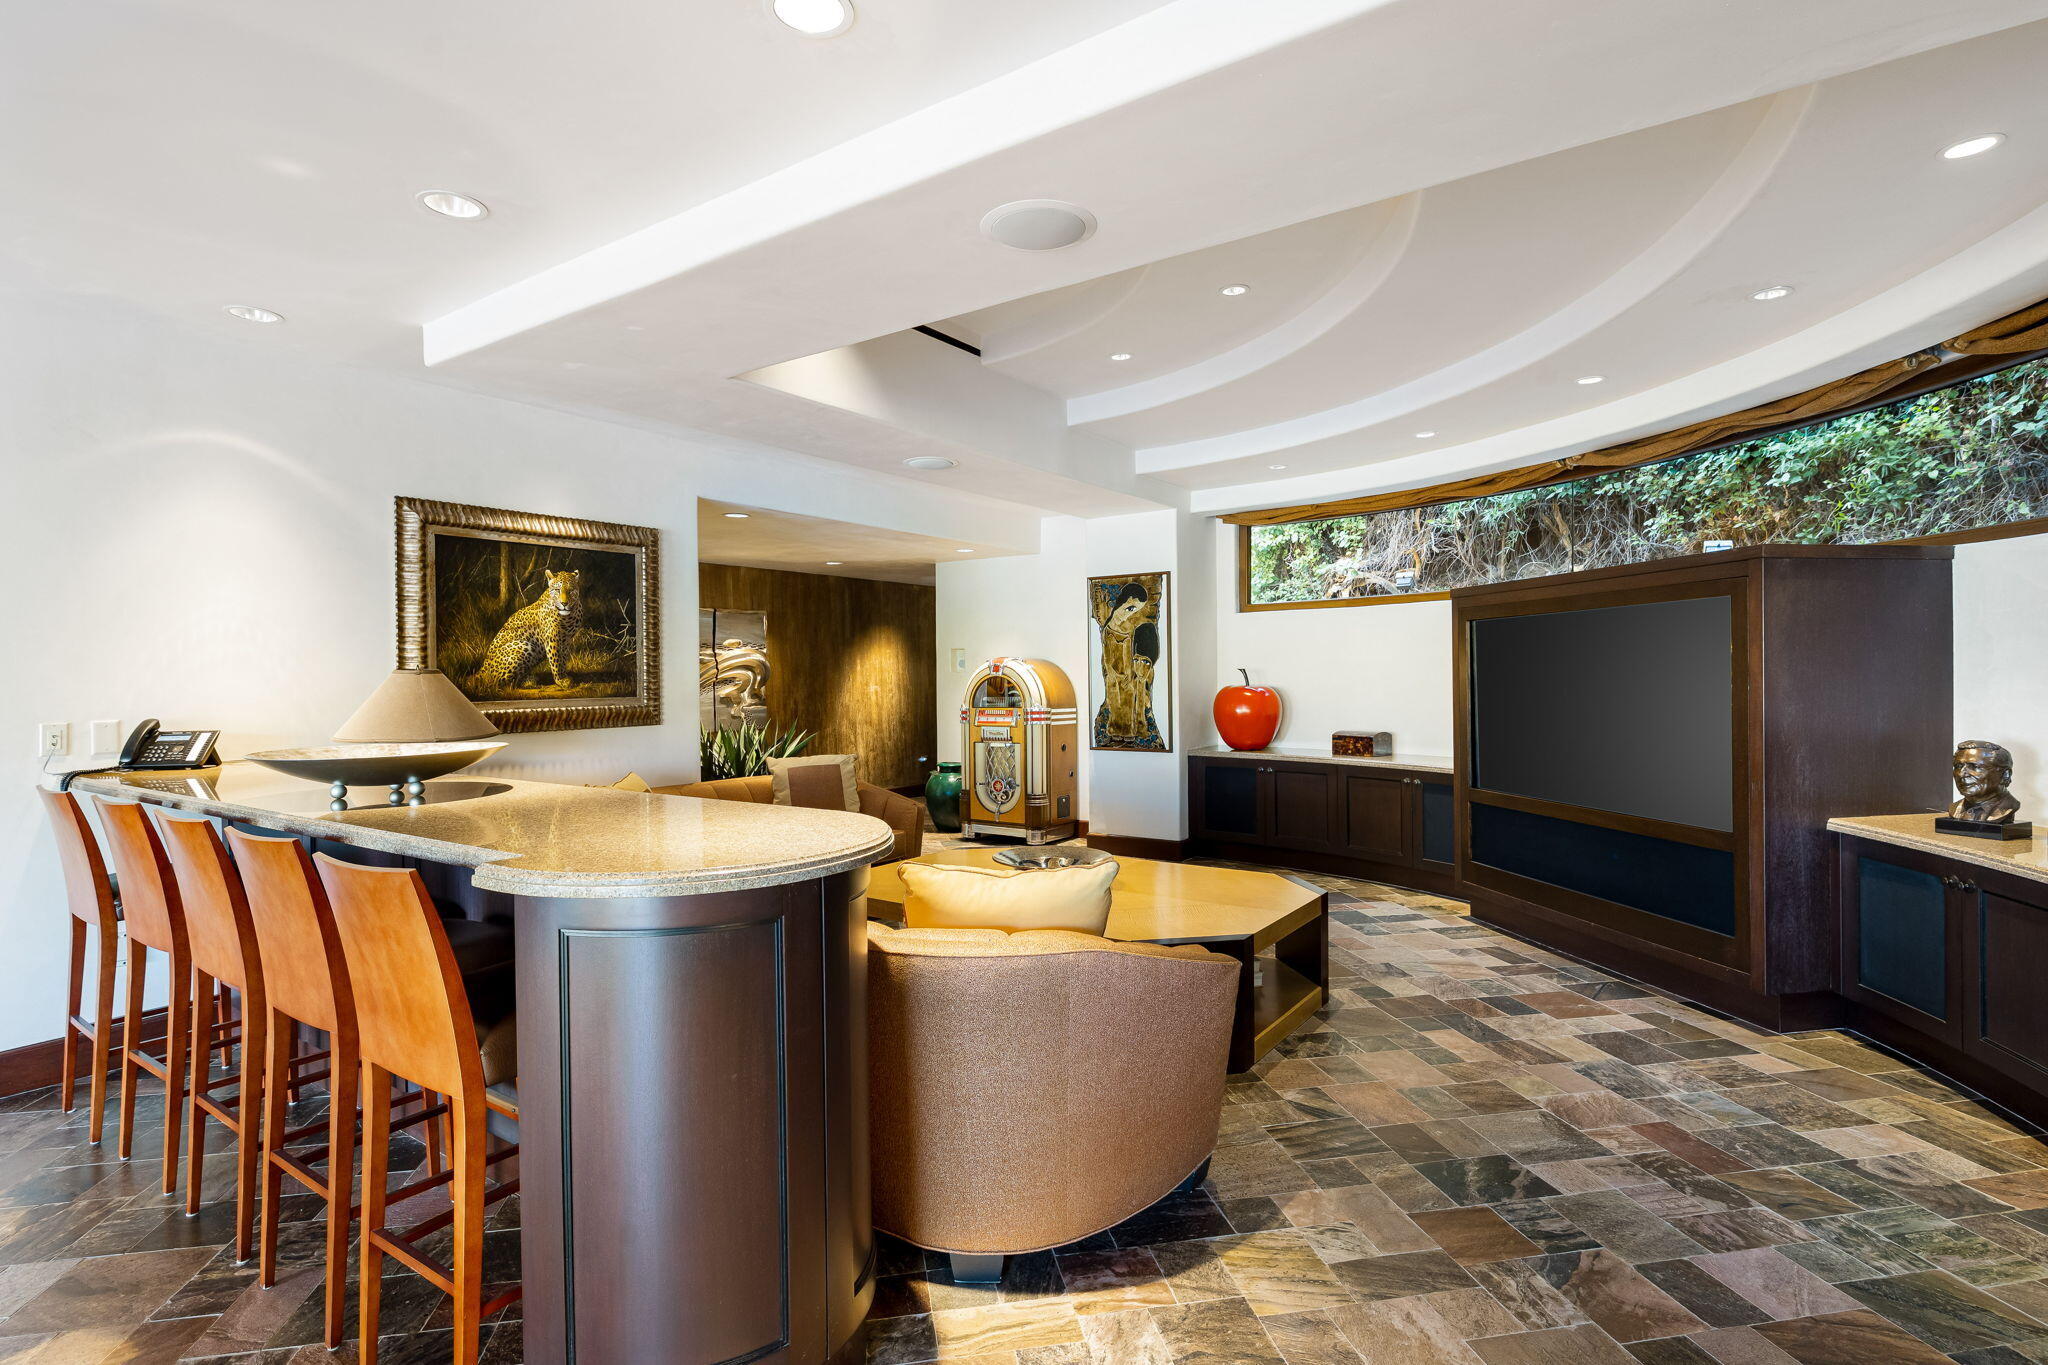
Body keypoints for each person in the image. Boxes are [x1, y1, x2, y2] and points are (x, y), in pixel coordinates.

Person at [1948, 739, 2023, 824]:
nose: (1961, 774)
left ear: (2005, 775)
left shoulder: (2007, 808)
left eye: (1975, 767)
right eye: (1958, 766)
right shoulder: (1955, 809)